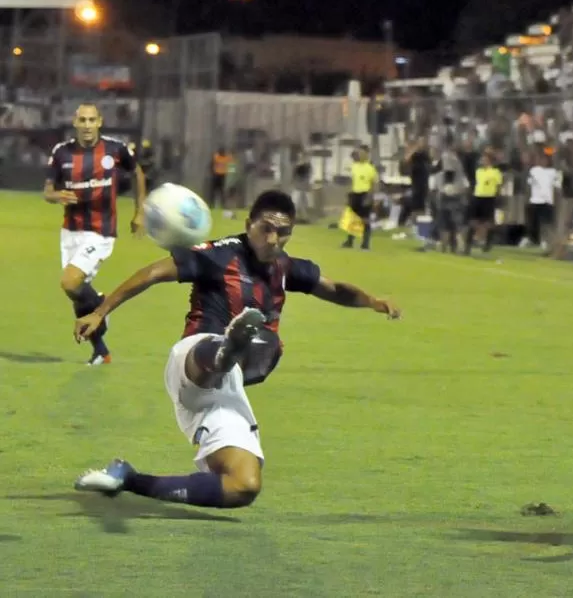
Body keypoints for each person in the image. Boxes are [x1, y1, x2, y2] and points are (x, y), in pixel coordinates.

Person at [71, 190, 401, 509]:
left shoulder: (284, 267)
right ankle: (228, 348)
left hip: (225, 394)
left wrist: (373, 301)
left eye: (283, 232)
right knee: (243, 346)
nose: (273, 239)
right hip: (193, 358)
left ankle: (128, 478)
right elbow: (153, 273)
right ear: (249, 225)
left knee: (244, 485)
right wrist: (101, 311)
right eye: (266, 229)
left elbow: (334, 289)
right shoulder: (218, 254)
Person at [44, 103, 147, 365]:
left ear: (100, 121)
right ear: (75, 122)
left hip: (101, 231)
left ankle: (102, 305)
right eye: (83, 120)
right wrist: (58, 196)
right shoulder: (61, 153)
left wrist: (140, 211)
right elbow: (48, 192)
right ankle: (101, 350)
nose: (87, 125)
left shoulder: (115, 149)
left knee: (69, 282)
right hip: (71, 231)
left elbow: (137, 172)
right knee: (75, 291)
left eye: (92, 120)